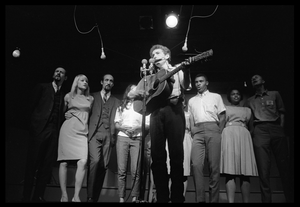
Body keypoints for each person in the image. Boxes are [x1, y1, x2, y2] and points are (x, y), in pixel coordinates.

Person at [129, 44, 192, 203]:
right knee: (157, 157)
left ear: (167, 55)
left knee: (176, 155)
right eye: (152, 54)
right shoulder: (149, 77)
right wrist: (143, 91)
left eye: (157, 53)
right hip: (156, 112)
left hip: (174, 110)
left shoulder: (178, 68)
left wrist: (187, 70)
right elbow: (131, 94)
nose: (154, 56)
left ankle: (177, 197)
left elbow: (186, 85)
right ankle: (162, 197)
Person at [244, 74, 293, 203]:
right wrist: (254, 132)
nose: (254, 79)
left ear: (263, 81)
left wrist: (281, 129)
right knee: (263, 169)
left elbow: (282, 112)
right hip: (260, 130)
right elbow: (247, 118)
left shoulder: (275, 94)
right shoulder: (249, 100)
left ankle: (290, 198)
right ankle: (266, 201)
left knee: (284, 166)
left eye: (257, 77)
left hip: (276, 128)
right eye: (252, 78)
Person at [22, 67, 67, 202]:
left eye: (61, 72)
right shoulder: (42, 87)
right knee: (32, 165)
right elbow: (31, 106)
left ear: (65, 77)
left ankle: (38, 196)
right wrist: (34, 126)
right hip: (40, 130)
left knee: (46, 167)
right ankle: (25, 197)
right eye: (56, 71)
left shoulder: (63, 94)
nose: (58, 73)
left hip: (53, 132)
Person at [188, 73, 226, 203]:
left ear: (207, 82)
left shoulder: (216, 96)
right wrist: (193, 130)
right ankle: (200, 200)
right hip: (197, 131)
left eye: (201, 81)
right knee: (197, 165)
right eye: (196, 81)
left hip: (212, 129)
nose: (198, 84)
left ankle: (214, 200)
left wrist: (218, 131)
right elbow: (191, 118)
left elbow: (222, 116)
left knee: (214, 167)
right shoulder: (192, 100)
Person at [57, 74, 94, 202]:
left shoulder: (90, 99)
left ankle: (76, 195)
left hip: (82, 132)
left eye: (86, 81)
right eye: (82, 80)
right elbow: (61, 113)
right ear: (76, 82)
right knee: (64, 162)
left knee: (83, 161)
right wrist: (66, 114)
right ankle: (64, 195)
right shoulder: (68, 96)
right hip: (68, 130)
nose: (85, 82)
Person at [86, 74, 120, 202]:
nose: (109, 82)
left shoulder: (117, 101)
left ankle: (95, 198)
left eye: (111, 81)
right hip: (94, 133)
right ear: (101, 82)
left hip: (108, 135)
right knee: (94, 162)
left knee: (103, 166)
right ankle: (89, 196)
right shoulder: (92, 97)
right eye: (106, 80)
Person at [220, 87, 258, 203]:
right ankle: (231, 201)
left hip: (243, 136)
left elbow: (251, 127)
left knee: (245, 172)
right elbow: (221, 124)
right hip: (229, 135)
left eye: (237, 94)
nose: (235, 96)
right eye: (233, 94)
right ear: (229, 97)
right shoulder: (225, 108)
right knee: (230, 171)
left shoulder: (247, 110)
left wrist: (245, 135)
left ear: (241, 96)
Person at [114, 84, 150, 203]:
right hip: (123, 137)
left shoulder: (143, 106)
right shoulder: (122, 105)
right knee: (122, 170)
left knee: (136, 171)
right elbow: (116, 123)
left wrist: (136, 128)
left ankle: (135, 197)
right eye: (132, 89)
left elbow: (148, 124)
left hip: (137, 137)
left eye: (136, 89)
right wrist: (124, 129)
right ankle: (121, 198)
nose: (134, 91)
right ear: (128, 91)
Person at [165, 99, 193, 199]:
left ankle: (182, 197)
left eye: (183, 101)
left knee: (184, 170)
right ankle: (168, 196)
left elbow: (192, 129)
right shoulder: (169, 114)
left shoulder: (188, 115)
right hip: (171, 138)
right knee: (169, 170)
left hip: (185, 138)